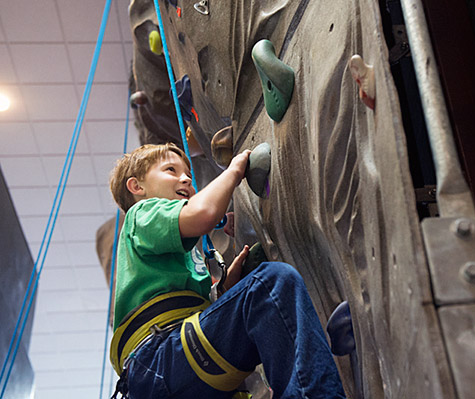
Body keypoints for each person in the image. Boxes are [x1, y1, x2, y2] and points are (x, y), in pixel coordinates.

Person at [108, 143, 346, 399]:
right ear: (137, 187)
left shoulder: (173, 253)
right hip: (160, 357)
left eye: (187, 173)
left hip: (163, 372)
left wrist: (223, 293)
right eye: (171, 170)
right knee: (270, 286)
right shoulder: (140, 216)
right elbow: (203, 213)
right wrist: (234, 171)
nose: (186, 178)